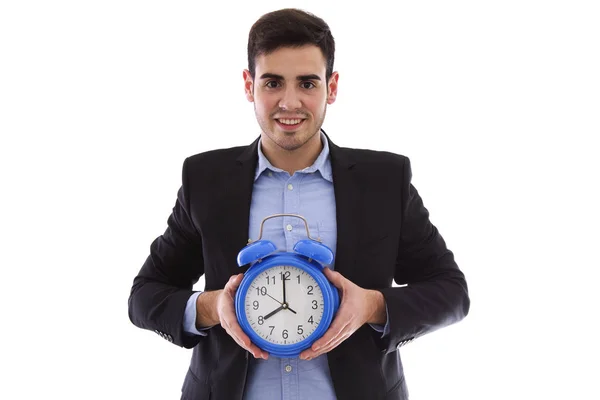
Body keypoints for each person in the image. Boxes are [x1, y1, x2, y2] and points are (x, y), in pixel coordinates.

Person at [128, 8, 470, 400]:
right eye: (273, 82)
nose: (289, 103)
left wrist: (372, 306)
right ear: (248, 84)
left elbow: (451, 291)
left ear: (332, 86)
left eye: (307, 83)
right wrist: (213, 307)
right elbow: (145, 295)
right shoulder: (205, 179)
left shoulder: (385, 181)